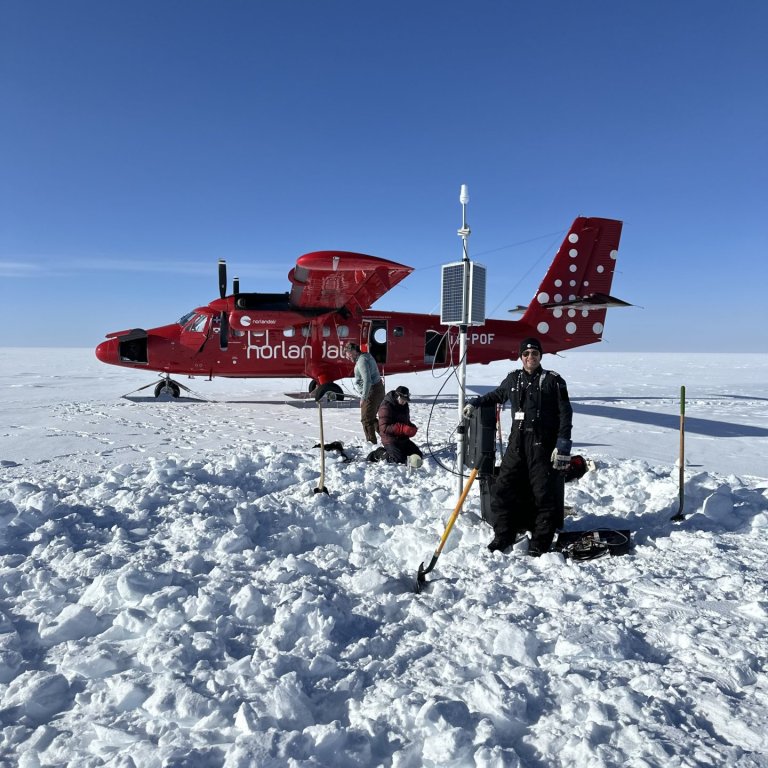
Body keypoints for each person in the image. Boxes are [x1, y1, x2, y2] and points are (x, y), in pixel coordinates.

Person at [463, 337, 573, 556]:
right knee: (503, 488)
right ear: (520, 357)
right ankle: (504, 534)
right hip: (517, 443)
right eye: (526, 354)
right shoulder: (513, 379)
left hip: (542, 445)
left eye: (534, 353)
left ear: (540, 356)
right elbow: (497, 395)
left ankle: (541, 541)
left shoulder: (553, 380)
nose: (530, 357)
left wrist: (562, 446)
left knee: (543, 492)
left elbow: (565, 413)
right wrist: (475, 402)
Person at [344, 342, 385, 444]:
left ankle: (371, 444)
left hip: (371, 392)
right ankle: (388, 438)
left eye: (348, 354)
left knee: (366, 420)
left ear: (353, 351)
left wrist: (364, 397)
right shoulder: (366, 356)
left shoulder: (362, 361)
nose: (347, 357)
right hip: (377, 389)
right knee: (371, 418)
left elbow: (367, 380)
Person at [373, 385, 424, 464]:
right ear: (397, 397)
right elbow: (384, 428)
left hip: (402, 439)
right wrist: (402, 428)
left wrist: (411, 428)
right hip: (390, 439)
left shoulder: (404, 406)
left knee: (418, 455)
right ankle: (380, 453)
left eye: (405, 401)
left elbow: (406, 422)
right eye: (402, 400)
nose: (404, 402)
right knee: (397, 460)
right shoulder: (386, 407)